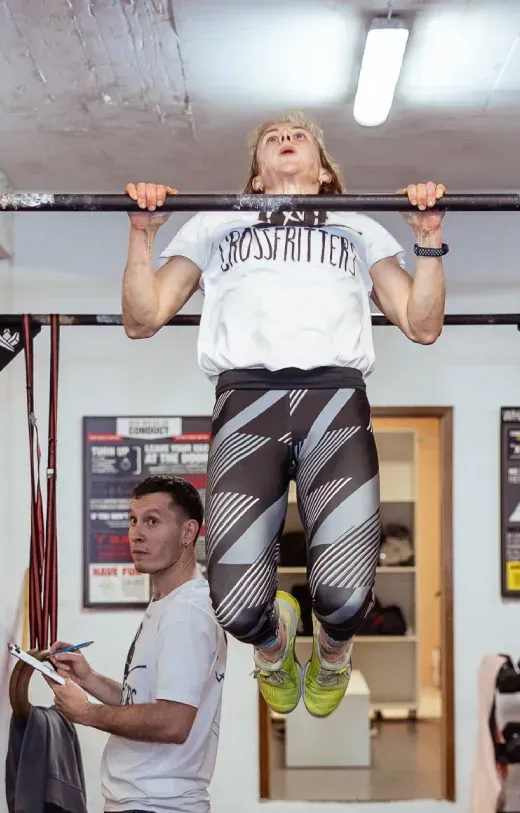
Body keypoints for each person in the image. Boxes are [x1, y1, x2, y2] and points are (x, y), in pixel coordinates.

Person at [118, 110, 446, 718]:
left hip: (335, 403)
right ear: (258, 178)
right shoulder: (217, 221)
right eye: (272, 138)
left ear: (323, 170)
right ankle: (273, 647)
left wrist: (428, 238)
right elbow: (143, 317)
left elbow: (421, 324)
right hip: (248, 404)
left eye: (300, 138)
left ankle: (331, 651)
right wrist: (143, 232)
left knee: (346, 599)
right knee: (238, 606)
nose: (287, 140)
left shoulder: (356, 225)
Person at [48, 475, 226, 813]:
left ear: (189, 532)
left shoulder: (187, 615)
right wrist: (89, 678)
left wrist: (88, 714)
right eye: (132, 521)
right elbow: (144, 699)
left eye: (152, 521)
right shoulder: (165, 607)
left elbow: (172, 722)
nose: (137, 534)